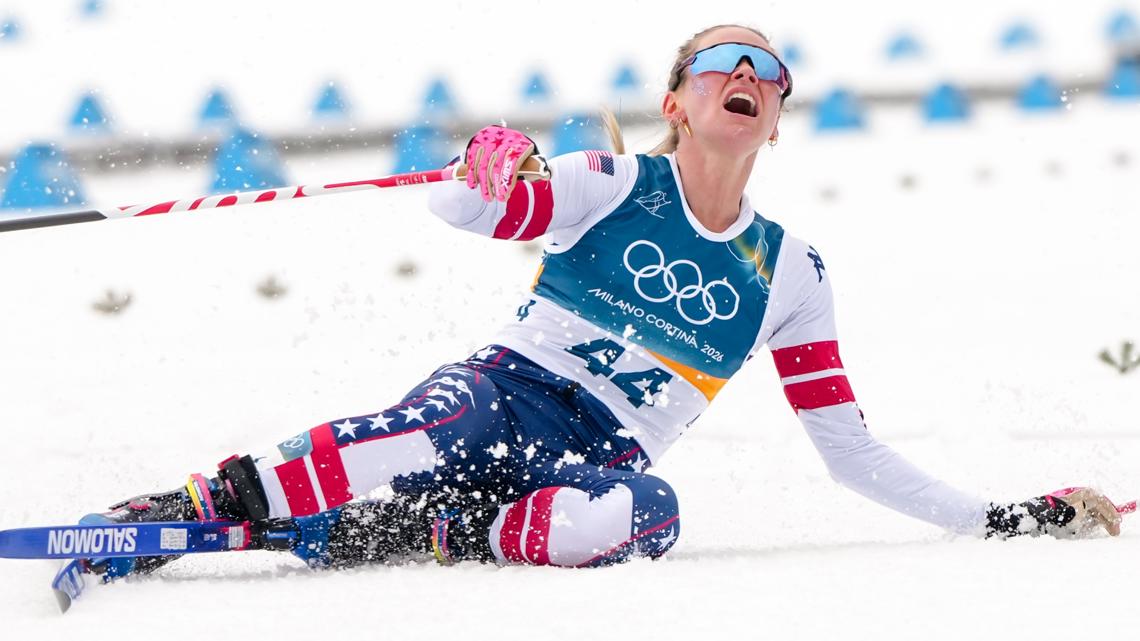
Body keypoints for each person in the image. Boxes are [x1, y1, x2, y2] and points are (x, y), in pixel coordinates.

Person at [79, 24, 1125, 581]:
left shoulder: (791, 275)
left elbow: (849, 453)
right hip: (504, 394)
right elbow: (468, 214)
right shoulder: (614, 182)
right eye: (725, 62)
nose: (749, 74)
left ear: (774, 119)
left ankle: (437, 533)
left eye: (770, 71)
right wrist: (480, 166)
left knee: (648, 518)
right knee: (433, 429)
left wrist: (1005, 515)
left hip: (599, 456)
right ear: (679, 102)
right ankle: (202, 504)